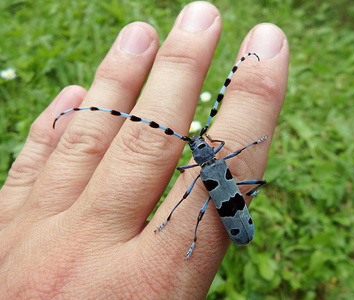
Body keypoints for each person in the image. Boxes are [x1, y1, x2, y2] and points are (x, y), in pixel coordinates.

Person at [0, 1, 289, 298]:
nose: (201, 145)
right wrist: (247, 146)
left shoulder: (200, 170)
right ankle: (200, 228)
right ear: (210, 154)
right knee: (203, 206)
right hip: (230, 202)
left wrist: (247, 144)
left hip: (227, 199)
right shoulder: (217, 162)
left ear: (200, 156)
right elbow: (228, 150)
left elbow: (207, 164)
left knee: (196, 203)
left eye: (201, 145)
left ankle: (194, 225)